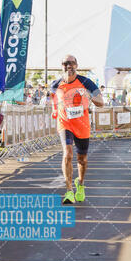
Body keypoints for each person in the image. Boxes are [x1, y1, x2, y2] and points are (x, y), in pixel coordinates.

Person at [51, 55, 104, 205]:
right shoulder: (55, 84)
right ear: (61, 66)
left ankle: (80, 184)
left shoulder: (86, 82)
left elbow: (101, 103)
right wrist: (55, 109)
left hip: (82, 124)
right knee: (67, 153)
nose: (68, 66)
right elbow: (53, 100)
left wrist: (90, 96)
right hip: (65, 123)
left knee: (82, 159)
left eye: (71, 63)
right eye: (65, 63)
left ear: (76, 65)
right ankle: (69, 191)